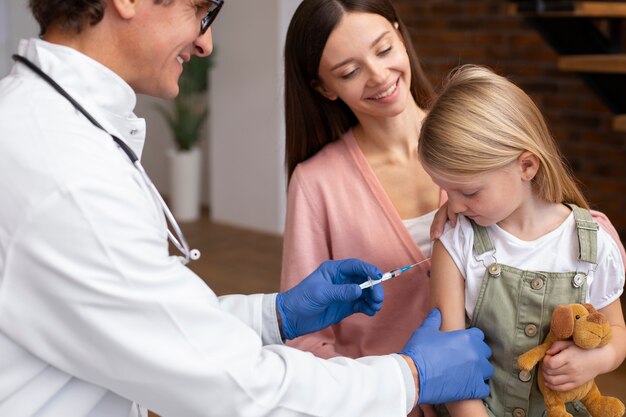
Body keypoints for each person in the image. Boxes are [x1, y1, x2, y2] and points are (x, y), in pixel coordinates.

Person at [0, 1, 494, 417]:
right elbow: (230, 386)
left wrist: (274, 315)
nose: (205, 44)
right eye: (201, 8)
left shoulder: (52, 136)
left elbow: (150, 319)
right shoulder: (68, 174)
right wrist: (411, 377)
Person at [418, 64, 626, 417]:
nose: (452, 205)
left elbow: (617, 332)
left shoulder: (593, 243)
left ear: (526, 167)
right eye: (445, 189)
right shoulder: (456, 242)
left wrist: (596, 360)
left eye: (467, 190)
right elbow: (450, 360)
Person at [281, 0, 441, 363]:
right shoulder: (316, 183)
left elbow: (561, 232)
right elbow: (304, 337)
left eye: (384, 49)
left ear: (400, 36)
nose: (380, 76)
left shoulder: (476, 133)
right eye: (350, 71)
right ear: (324, 88)